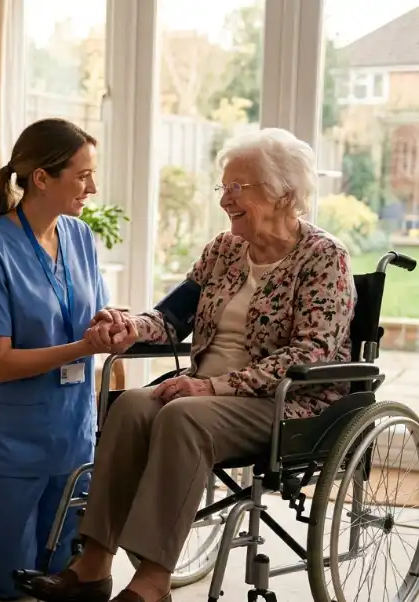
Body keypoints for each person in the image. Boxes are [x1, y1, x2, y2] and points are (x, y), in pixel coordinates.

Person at [28, 127, 357, 602]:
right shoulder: (223, 250)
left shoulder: (324, 257)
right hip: (206, 391)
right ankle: (94, 564)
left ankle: (151, 582)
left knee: (182, 415)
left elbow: (311, 353)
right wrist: (131, 327)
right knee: (134, 407)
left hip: (285, 403)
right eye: (223, 187)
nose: (226, 199)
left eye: (238, 187)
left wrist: (215, 386)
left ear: (283, 192)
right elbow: (170, 317)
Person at [0, 118, 138, 600]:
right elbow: (0, 363)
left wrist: (110, 320)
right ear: (42, 178)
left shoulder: (79, 236)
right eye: (82, 175)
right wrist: (82, 348)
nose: (92, 187)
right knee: (7, 584)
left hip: (71, 436)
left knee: (61, 573)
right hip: (9, 443)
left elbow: (93, 309)